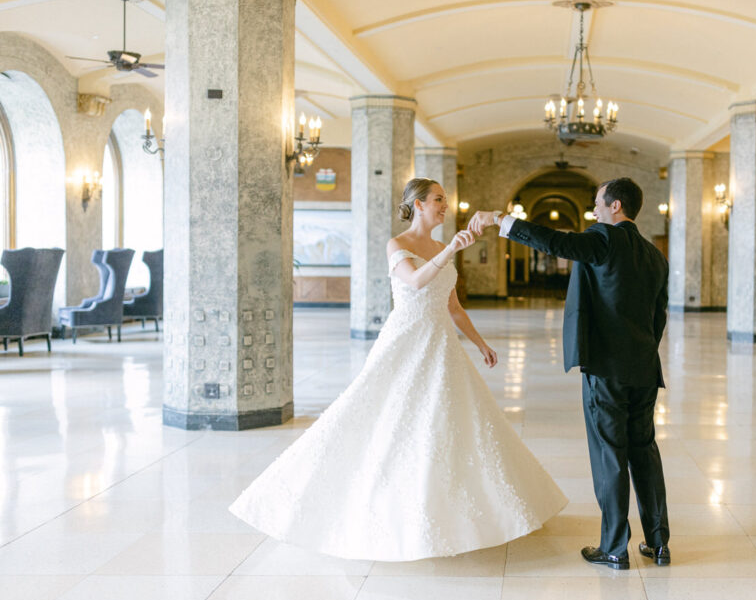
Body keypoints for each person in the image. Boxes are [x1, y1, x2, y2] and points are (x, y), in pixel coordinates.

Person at [230, 178, 567, 562]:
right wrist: (451, 250)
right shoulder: (399, 245)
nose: (445, 206)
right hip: (406, 342)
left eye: (445, 200)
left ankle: (454, 509)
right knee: (386, 417)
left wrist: (480, 342)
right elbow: (414, 281)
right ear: (419, 204)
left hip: (441, 345)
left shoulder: (442, 247)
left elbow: (451, 306)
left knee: (449, 423)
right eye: (439, 200)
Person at [469, 177, 669, 570]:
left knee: (610, 454)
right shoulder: (653, 255)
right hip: (644, 368)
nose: (594, 211)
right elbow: (658, 315)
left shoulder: (603, 239)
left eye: (598, 204)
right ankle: (658, 544)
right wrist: (641, 351)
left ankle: (614, 547)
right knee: (644, 453)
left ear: (616, 207)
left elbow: (555, 242)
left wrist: (500, 219)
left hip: (607, 370)